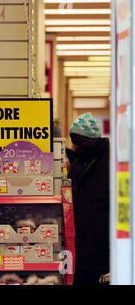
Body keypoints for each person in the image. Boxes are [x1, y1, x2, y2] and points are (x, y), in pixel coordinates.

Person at [66, 112, 110, 285]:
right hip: (79, 251)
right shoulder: (77, 164)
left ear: (92, 139)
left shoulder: (112, 164)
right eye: (73, 142)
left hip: (102, 255)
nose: (75, 147)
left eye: (79, 142)